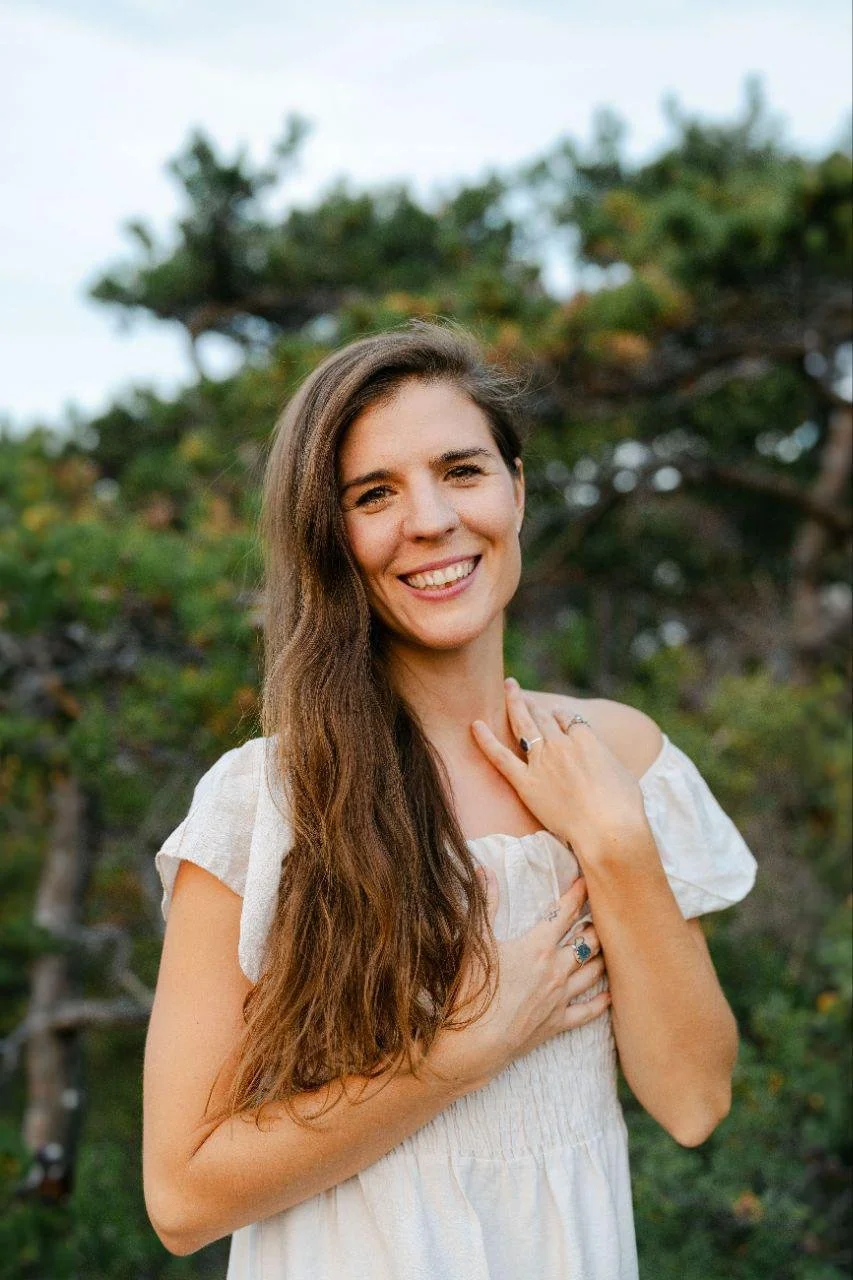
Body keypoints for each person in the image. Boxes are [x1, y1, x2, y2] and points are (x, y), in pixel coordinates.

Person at [143, 320, 758, 1279]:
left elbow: (691, 1101)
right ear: (331, 538)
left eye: (461, 470)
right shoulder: (265, 801)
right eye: (373, 494)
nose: (428, 520)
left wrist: (615, 846)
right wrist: (458, 1053)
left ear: (517, 488)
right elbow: (182, 1199)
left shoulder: (619, 756)